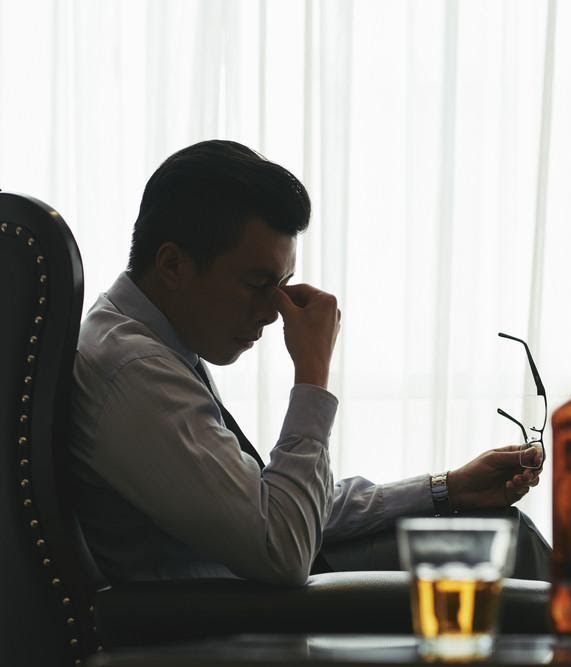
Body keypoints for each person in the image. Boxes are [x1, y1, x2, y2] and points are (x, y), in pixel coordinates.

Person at [69, 140, 544, 586]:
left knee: (499, 528)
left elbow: (282, 507)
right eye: (258, 283)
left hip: (241, 603)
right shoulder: (133, 368)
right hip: (222, 627)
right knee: (508, 546)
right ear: (173, 265)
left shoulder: (151, 343)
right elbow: (283, 547)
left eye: (282, 285)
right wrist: (312, 378)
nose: (274, 311)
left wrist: (445, 488)